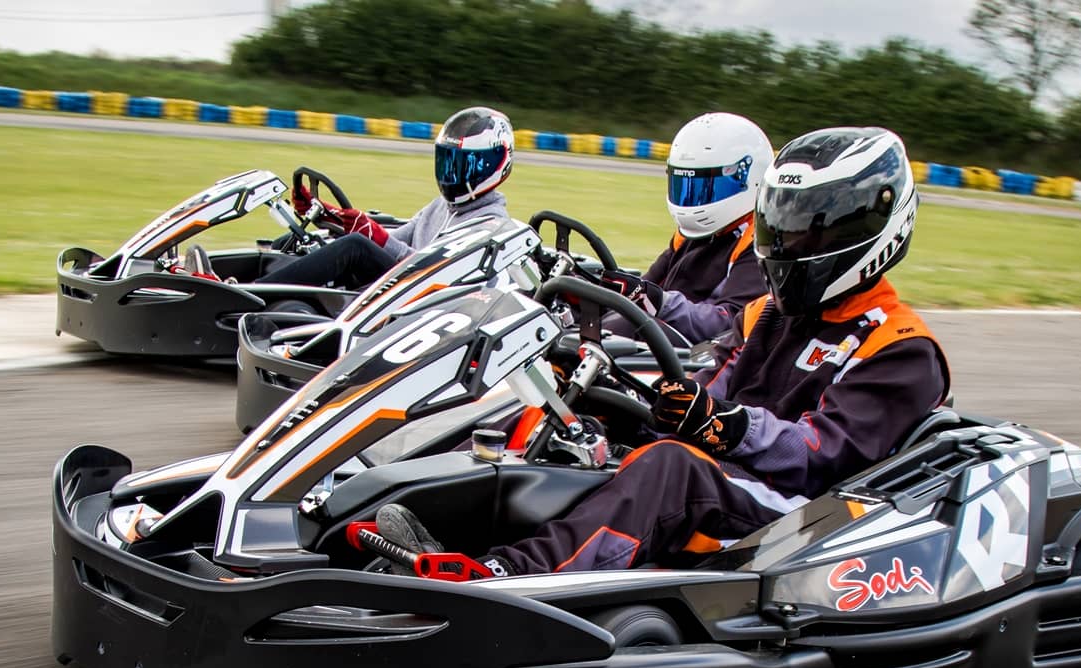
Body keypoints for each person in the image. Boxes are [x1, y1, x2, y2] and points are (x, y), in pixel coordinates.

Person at [375, 126, 952, 578]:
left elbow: (825, 454)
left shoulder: (899, 347)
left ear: (865, 228)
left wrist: (727, 428)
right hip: (732, 475)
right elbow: (714, 391)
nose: (789, 245)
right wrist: (636, 402)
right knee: (569, 416)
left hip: (808, 516)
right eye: (784, 228)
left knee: (670, 466)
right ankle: (404, 508)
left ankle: (502, 576)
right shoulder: (770, 313)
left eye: (808, 232)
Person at [260, 106, 514, 291]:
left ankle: (251, 294)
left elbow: (431, 269)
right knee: (294, 242)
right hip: (402, 285)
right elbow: (395, 239)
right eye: (447, 162)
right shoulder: (442, 206)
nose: (452, 174)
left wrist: (371, 234)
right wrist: (328, 215)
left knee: (354, 247)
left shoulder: (489, 223)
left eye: (462, 165)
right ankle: (258, 289)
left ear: (494, 163)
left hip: (430, 297)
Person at [602, 112, 773, 345]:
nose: (693, 201)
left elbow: (732, 321)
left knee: (623, 327)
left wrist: (661, 302)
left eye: (705, 187)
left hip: (699, 356)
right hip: (664, 337)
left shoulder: (760, 241)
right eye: (685, 186)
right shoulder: (693, 232)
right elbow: (648, 286)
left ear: (745, 177)